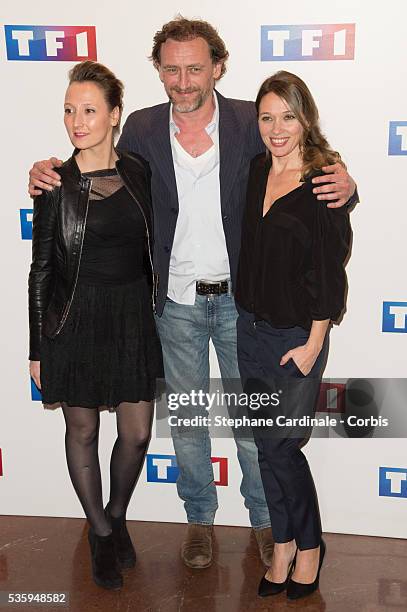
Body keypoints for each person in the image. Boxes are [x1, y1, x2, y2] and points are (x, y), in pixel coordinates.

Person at [28, 17, 357, 570]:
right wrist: (47, 172)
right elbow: (99, 175)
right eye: (172, 69)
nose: (183, 80)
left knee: (255, 427)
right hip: (174, 303)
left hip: (242, 305)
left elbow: (301, 165)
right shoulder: (142, 128)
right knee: (186, 423)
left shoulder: (248, 122)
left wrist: (345, 185)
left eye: (195, 68)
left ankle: (266, 524)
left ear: (217, 68)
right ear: (158, 71)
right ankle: (200, 520)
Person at [28, 61, 163, 590]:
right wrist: (38, 345)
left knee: (136, 433)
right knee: (81, 429)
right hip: (74, 319)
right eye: (69, 110)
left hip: (131, 315)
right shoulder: (53, 184)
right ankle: (101, 533)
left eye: (88, 110)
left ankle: (117, 511)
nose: (76, 121)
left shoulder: (139, 171)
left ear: (114, 115)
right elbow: (40, 269)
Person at [235, 71, 352, 600]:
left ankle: (309, 547)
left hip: (296, 340)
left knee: (285, 449)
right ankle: (281, 543)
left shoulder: (325, 182)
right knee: (264, 447)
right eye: (266, 117)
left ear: (306, 118)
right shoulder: (257, 169)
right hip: (250, 332)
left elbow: (331, 271)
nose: (276, 128)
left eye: (288, 115)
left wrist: (312, 343)